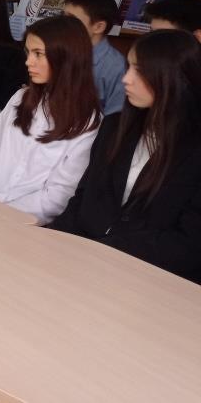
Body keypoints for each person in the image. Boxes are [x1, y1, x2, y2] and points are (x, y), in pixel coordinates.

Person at [49, 30, 201, 283]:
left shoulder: (193, 149)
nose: (126, 79)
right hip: (85, 259)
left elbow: (190, 244)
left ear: (174, 78)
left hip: (154, 278)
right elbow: (84, 198)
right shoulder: (115, 126)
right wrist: (52, 239)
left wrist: (103, 250)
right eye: (128, 67)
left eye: (139, 71)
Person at [0, 15, 101, 224]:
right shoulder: (21, 97)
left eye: (38, 54)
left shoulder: (87, 121)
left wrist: (0, 215)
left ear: (66, 57)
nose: (28, 62)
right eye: (28, 52)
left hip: (23, 223)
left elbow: (58, 195)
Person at [63, 0, 126, 115]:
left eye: (72, 19)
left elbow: (115, 118)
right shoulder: (62, 51)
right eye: (63, 17)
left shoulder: (116, 67)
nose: (63, 24)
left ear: (98, 27)